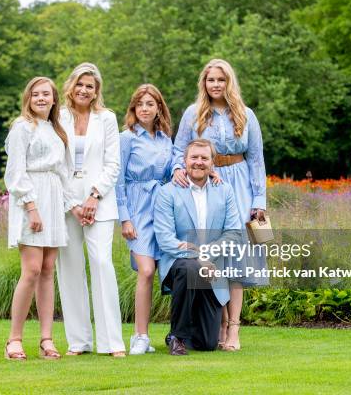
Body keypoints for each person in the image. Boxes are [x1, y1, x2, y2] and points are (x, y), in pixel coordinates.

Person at [172, 59, 268, 351]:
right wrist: (178, 168)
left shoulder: (246, 114)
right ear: (204, 83)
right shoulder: (193, 113)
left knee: (237, 258)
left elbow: (256, 159)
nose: (215, 84)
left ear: (229, 83)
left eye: (221, 80)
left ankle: (235, 329)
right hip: (207, 184)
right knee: (214, 255)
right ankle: (219, 324)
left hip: (240, 186)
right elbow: (179, 149)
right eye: (210, 80)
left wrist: (259, 200)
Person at [3, 77, 83, 361]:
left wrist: (74, 206)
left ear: (53, 99)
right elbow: (15, 173)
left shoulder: (57, 130)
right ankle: (14, 340)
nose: (40, 98)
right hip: (32, 199)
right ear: (28, 98)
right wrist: (31, 207)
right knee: (32, 270)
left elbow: (64, 173)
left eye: (45, 94)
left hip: (53, 199)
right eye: (35, 94)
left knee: (49, 269)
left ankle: (47, 339)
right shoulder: (22, 128)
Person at [56, 63, 126, 357]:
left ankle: (112, 342)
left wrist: (94, 196)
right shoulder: (57, 117)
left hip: (100, 202)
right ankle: (79, 342)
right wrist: (73, 203)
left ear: (97, 91)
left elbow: (113, 163)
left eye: (90, 86)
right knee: (70, 268)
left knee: (101, 264)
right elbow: (56, 163)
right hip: (65, 203)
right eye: (80, 84)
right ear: (71, 85)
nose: (84, 90)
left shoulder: (106, 118)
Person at [154, 139, 242, 355]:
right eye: (194, 157)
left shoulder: (225, 191)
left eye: (204, 158)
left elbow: (233, 233)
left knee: (207, 344)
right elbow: (165, 239)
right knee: (189, 268)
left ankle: (182, 332)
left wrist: (205, 254)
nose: (199, 162)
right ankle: (178, 337)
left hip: (212, 270)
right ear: (184, 161)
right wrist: (196, 257)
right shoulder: (168, 192)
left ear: (213, 163)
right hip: (179, 265)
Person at [115, 84, 172, 355]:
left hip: (162, 208)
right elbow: (118, 181)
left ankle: (179, 332)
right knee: (146, 270)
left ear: (159, 107)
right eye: (140, 104)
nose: (145, 109)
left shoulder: (165, 140)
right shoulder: (126, 138)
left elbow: (174, 172)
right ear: (133, 109)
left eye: (150, 104)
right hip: (137, 208)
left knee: (167, 272)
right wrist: (124, 218)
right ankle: (140, 335)